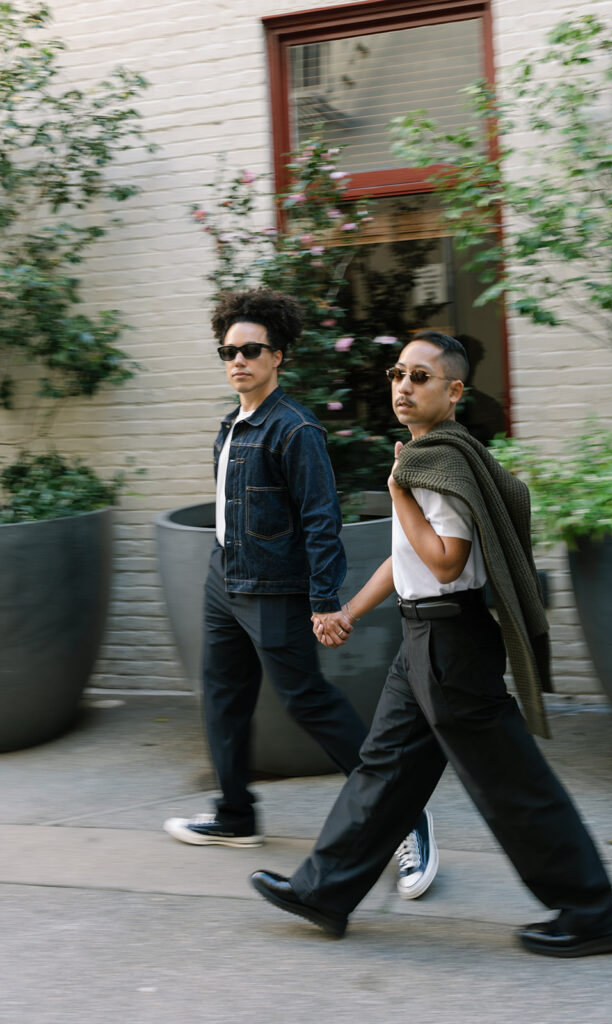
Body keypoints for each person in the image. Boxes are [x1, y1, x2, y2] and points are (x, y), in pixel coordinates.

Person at [250, 329, 612, 957]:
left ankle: (593, 914)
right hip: (425, 636)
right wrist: (350, 609)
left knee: (511, 785)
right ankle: (324, 890)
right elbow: (408, 562)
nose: (403, 386)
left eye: (420, 377)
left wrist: (400, 492)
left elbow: (446, 561)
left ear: (453, 391)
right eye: (398, 374)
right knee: (385, 769)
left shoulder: (438, 463)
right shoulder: (432, 455)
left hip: (451, 643)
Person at [163, 287, 438, 900]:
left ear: (277, 355)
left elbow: (320, 521)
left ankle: (405, 818)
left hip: (273, 589)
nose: (238, 360)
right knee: (222, 696)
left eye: (251, 350)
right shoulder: (230, 427)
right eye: (227, 351)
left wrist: (322, 602)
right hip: (224, 578)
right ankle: (235, 814)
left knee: (308, 700)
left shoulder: (295, 430)